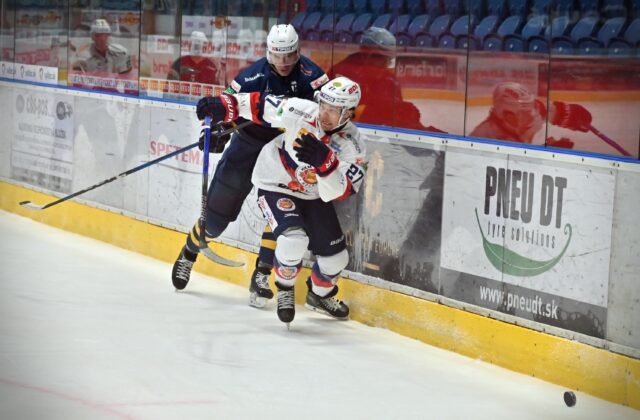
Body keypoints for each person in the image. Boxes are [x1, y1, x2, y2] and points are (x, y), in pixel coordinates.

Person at [171, 24, 329, 305]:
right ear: (268, 52)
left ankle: (262, 272)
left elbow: (328, 118)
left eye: (289, 56)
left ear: (298, 52)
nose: (283, 63)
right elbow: (221, 107)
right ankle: (189, 252)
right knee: (217, 219)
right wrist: (214, 131)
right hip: (247, 146)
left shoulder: (314, 78)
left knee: (281, 209)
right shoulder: (251, 76)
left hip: (286, 153)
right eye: (277, 56)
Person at [195, 76, 366, 324]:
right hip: (276, 182)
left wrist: (326, 165)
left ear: (349, 113)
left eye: (334, 110)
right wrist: (224, 105)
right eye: (323, 106)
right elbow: (260, 104)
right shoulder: (301, 110)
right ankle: (285, 288)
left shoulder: (354, 147)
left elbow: (338, 193)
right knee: (293, 240)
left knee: (337, 260)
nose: (324, 114)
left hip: (313, 194)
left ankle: (320, 294)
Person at [329, 27, 444, 133]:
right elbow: (329, 113)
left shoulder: (389, 80)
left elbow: (396, 118)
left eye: (388, 59)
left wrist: (417, 127)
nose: (384, 64)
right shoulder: (342, 73)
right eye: (379, 57)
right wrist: (377, 112)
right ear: (364, 52)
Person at [470, 81, 592, 146]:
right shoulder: (484, 136)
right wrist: (549, 150)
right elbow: (515, 166)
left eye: (530, 107)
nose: (532, 113)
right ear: (507, 114)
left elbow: (548, 110)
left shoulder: (528, 114)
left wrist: (568, 113)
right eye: (525, 110)